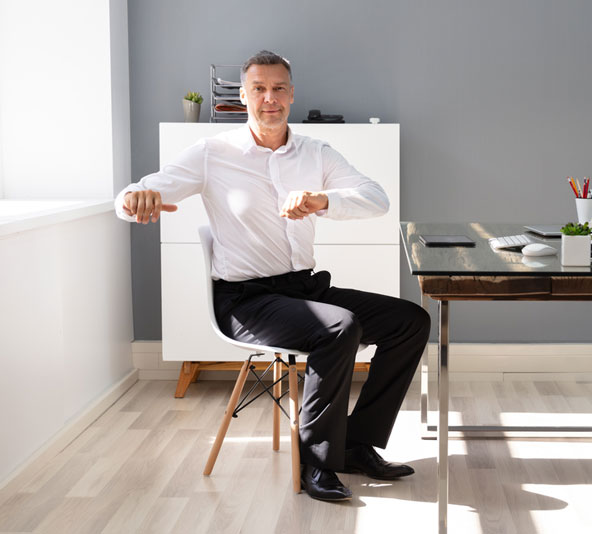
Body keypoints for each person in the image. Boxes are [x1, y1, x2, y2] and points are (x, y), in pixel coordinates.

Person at [115, 50, 430, 502]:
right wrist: (132, 200)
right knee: (339, 328)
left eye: (279, 88)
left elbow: (375, 197)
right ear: (242, 96)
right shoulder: (211, 154)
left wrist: (323, 200)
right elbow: (141, 191)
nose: (270, 98)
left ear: (292, 94)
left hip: (304, 289)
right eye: (259, 89)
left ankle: (357, 445)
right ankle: (317, 464)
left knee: (410, 321)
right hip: (245, 301)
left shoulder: (315, 152)